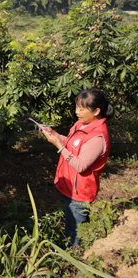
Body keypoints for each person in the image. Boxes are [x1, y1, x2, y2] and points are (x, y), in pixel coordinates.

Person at [41, 88, 113, 247]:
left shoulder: (97, 137)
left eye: (82, 109)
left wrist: (59, 146)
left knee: (75, 233)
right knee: (73, 226)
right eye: (76, 107)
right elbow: (71, 143)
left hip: (80, 192)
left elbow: (80, 166)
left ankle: (76, 261)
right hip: (70, 187)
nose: (77, 112)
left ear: (96, 111)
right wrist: (54, 134)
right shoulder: (81, 125)